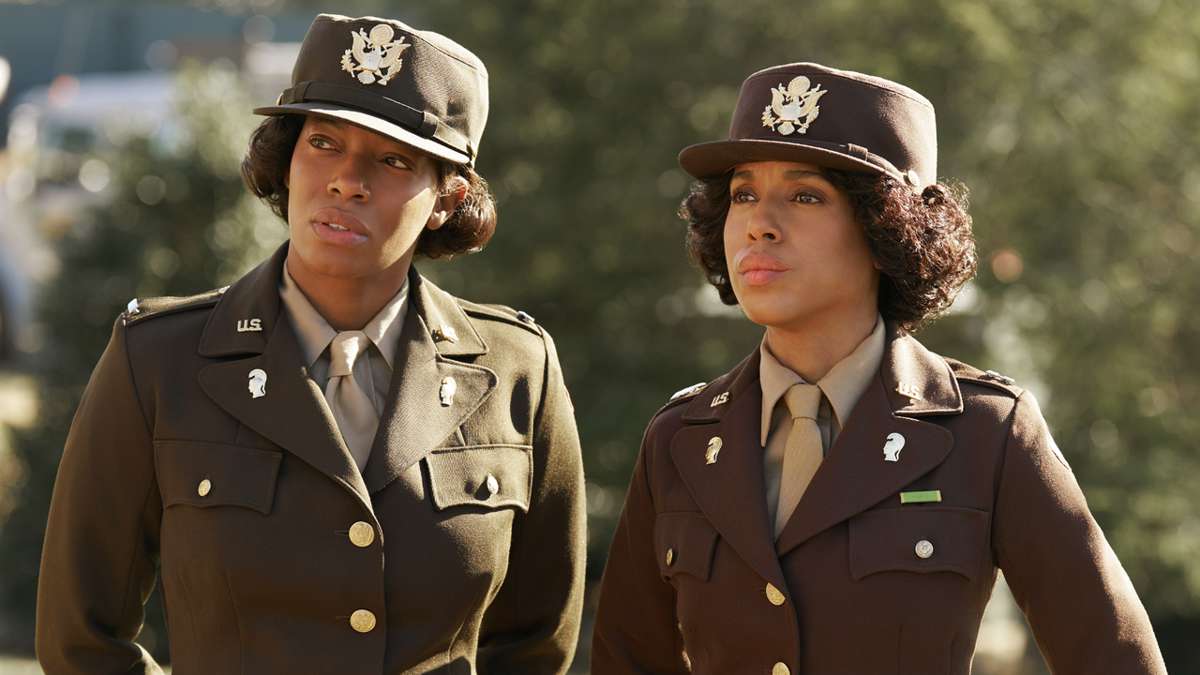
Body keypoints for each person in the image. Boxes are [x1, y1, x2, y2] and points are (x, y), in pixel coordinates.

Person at [36, 13, 585, 674]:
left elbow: (536, 643)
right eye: (323, 142)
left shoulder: (517, 370)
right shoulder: (159, 358)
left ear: (447, 197)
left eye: (393, 159)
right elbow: (81, 638)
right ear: (287, 161)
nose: (347, 179)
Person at [591, 62, 1166, 674]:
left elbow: (1114, 659)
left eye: (805, 196)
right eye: (743, 195)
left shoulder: (987, 431)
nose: (758, 224)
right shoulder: (679, 438)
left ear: (885, 227)